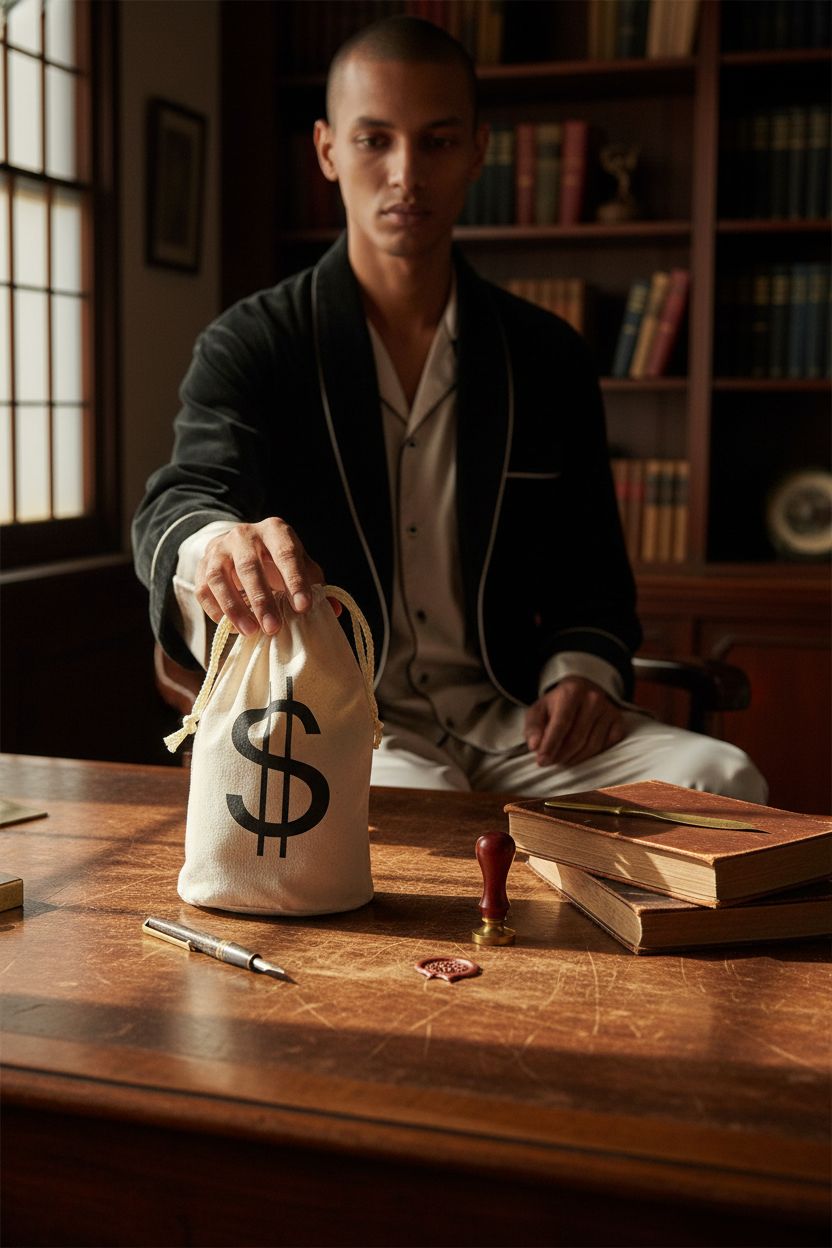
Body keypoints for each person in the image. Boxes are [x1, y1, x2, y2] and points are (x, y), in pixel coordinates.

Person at [133, 16, 766, 802]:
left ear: (478, 151)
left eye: (436, 141)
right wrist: (216, 543)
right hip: (343, 717)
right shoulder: (253, 342)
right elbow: (181, 495)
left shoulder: (547, 355)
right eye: (375, 141)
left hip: (516, 720)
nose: (407, 174)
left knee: (724, 778)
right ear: (328, 151)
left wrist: (583, 675)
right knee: (414, 813)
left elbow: (595, 582)